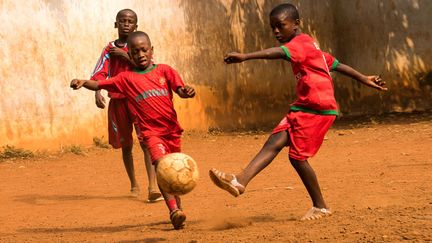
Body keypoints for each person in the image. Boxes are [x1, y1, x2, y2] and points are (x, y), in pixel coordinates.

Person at [209, 3, 387, 221]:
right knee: (274, 142)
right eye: (272, 27)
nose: (275, 31)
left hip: (317, 108)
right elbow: (336, 63)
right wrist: (364, 78)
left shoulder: (299, 44)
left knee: (297, 157)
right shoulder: (310, 45)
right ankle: (240, 180)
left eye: (280, 26)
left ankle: (320, 206)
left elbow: (278, 53)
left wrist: (246, 57)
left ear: (296, 24)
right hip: (304, 105)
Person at [71, 31, 196, 230]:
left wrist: (187, 91)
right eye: (135, 52)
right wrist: (83, 82)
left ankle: (178, 209)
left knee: (175, 169)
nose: (140, 55)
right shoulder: (126, 78)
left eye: (144, 50)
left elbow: (180, 90)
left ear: (151, 50)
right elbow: (101, 83)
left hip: (171, 131)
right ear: (130, 55)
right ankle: (173, 209)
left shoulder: (165, 71)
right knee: (162, 167)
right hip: (151, 134)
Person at [90, 9, 161, 202]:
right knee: (126, 145)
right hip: (118, 102)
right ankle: (133, 184)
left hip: (139, 101)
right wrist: (97, 91)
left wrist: (125, 55)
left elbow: (147, 68)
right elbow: (99, 73)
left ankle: (152, 186)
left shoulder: (139, 46)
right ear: (116, 24)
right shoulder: (109, 49)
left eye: (130, 21)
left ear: (136, 26)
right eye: (122, 21)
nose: (126, 24)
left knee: (147, 142)